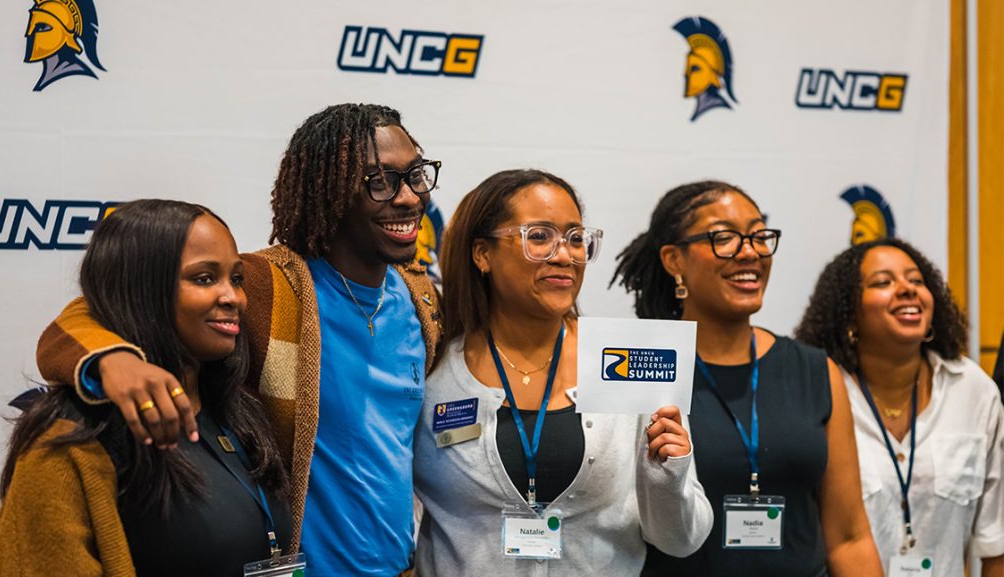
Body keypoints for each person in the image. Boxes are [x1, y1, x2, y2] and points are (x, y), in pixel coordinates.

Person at [34, 104, 443, 577]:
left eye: (416, 175)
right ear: (328, 189)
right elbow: (89, 315)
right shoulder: (266, 286)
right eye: (380, 181)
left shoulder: (421, 299)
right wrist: (114, 361)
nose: (409, 197)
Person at [412, 169, 712, 576]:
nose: (565, 255)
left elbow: (681, 540)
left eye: (575, 238)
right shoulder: (431, 369)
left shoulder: (633, 358)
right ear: (482, 253)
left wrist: (668, 475)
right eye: (539, 237)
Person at [0, 200, 292, 576]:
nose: (234, 297)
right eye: (204, 278)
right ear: (140, 290)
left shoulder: (236, 410)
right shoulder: (76, 434)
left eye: (237, 279)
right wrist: (113, 360)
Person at [611, 180, 882, 576]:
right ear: (673, 260)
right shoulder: (639, 367)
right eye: (724, 238)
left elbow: (849, 537)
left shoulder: (814, 370)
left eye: (759, 236)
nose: (750, 251)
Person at [795, 238, 1003, 577]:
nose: (907, 289)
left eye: (916, 280)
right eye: (883, 282)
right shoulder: (820, 391)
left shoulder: (972, 390)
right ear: (848, 313)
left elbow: (997, 542)